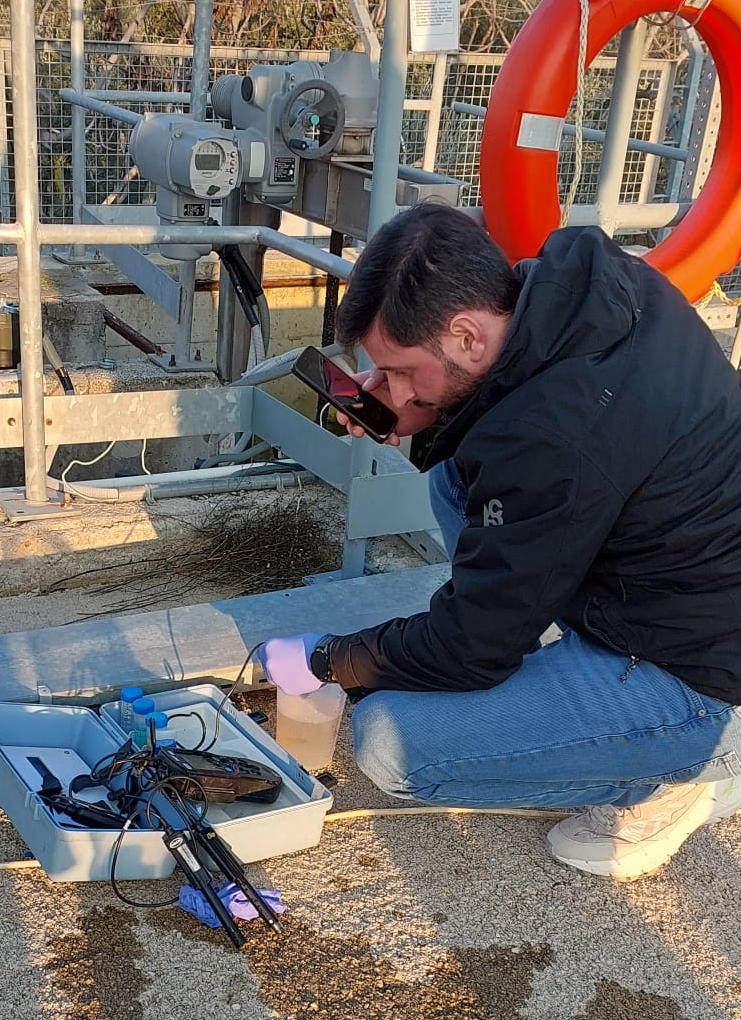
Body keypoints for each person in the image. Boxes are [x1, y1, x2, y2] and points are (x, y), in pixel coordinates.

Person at [258, 208, 741, 880]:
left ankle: (681, 777)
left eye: (400, 370)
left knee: (394, 744)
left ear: (466, 334)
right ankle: (560, 673)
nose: (393, 389)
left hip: (696, 677)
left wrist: (326, 657)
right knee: (453, 481)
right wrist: (421, 405)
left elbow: (467, 648)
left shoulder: (555, 437)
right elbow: (512, 433)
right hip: (667, 578)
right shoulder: (591, 284)